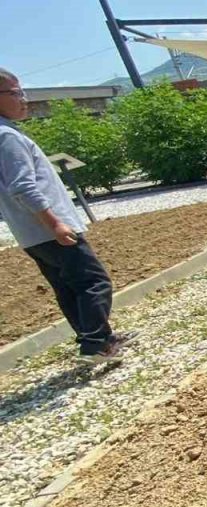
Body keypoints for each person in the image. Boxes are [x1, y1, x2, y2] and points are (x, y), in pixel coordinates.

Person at [0, 68, 130, 365]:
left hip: (30, 234)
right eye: (16, 93)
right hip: (49, 228)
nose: (25, 99)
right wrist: (55, 222)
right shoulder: (7, 137)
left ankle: (99, 340)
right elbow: (23, 186)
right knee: (94, 282)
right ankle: (95, 343)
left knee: (69, 288)